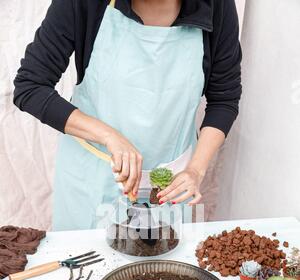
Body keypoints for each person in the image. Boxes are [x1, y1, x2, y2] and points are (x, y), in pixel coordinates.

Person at [14, 0, 242, 230]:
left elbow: (224, 99)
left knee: (164, 263)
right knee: (88, 264)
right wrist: (109, 136)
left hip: (171, 182)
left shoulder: (217, 5)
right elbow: (31, 86)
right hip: (92, 180)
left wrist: (195, 169)